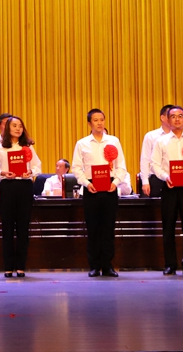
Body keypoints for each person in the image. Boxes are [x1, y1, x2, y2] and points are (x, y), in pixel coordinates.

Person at [72, 108, 128, 278]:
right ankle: (94, 266)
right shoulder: (82, 143)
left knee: (108, 229)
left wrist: (115, 182)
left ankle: (108, 266)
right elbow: (76, 168)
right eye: (95, 120)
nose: (99, 123)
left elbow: (121, 166)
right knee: (93, 229)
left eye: (101, 120)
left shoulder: (113, 141)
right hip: (91, 188)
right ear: (89, 123)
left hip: (110, 187)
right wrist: (86, 183)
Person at [0, 116, 42, 278]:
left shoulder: (28, 148)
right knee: (8, 228)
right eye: (14, 126)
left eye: (20, 126)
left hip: (25, 187)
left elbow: (38, 167)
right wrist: (2, 173)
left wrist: (30, 172)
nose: (18, 129)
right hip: (8, 187)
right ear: (7, 128)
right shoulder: (0, 149)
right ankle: (8, 267)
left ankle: (21, 266)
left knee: (23, 228)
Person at [150, 106, 183, 275]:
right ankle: (170, 264)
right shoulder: (161, 141)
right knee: (168, 227)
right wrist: (166, 177)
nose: (177, 119)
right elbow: (154, 164)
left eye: (180, 116)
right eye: (173, 116)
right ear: (167, 120)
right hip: (169, 188)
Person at [139, 104, 174, 197]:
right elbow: (145, 159)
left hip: (174, 178)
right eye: (171, 116)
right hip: (155, 179)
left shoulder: (178, 137)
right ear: (162, 117)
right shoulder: (151, 136)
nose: (174, 119)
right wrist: (145, 181)